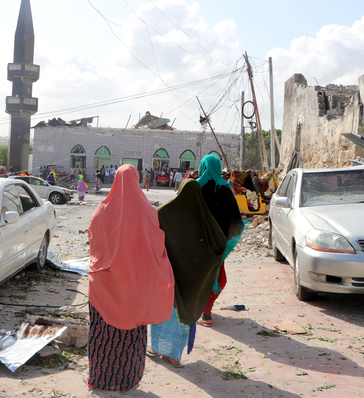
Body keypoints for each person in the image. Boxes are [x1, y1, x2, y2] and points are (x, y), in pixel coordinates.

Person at [85, 164, 175, 392]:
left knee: (101, 334)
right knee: (131, 337)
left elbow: (94, 245)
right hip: (135, 288)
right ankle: (127, 381)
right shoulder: (148, 212)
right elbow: (157, 247)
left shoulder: (101, 211)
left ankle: (98, 379)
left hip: (105, 286)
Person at [148, 175, 232, 368]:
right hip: (189, 283)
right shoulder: (204, 219)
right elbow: (219, 245)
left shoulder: (164, 213)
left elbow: (151, 240)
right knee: (180, 318)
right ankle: (173, 356)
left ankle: (155, 347)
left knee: (162, 312)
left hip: (166, 278)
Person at [195, 155, 244, 327]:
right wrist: (226, 241)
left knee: (197, 277)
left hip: (197, 245)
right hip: (218, 245)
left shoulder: (194, 186)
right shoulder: (225, 188)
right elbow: (236, 221)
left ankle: (200, 312)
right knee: (215, 277)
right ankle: (206, 313)